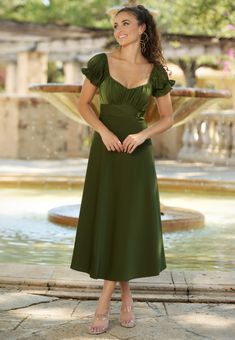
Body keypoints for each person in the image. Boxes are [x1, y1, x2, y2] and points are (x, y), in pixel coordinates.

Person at [70, 4, 175, 335]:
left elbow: (168, 118)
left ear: (142, 28)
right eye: (116, 24)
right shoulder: (102, 62)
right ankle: (126, 297)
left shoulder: (156, 72)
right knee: (112, 220)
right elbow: (83, 104)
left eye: (126, 23)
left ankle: (104, 303)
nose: (119, 29)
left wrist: (142, 134)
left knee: (127, 222)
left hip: (137, 155)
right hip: (105, 152)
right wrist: (102, 131)